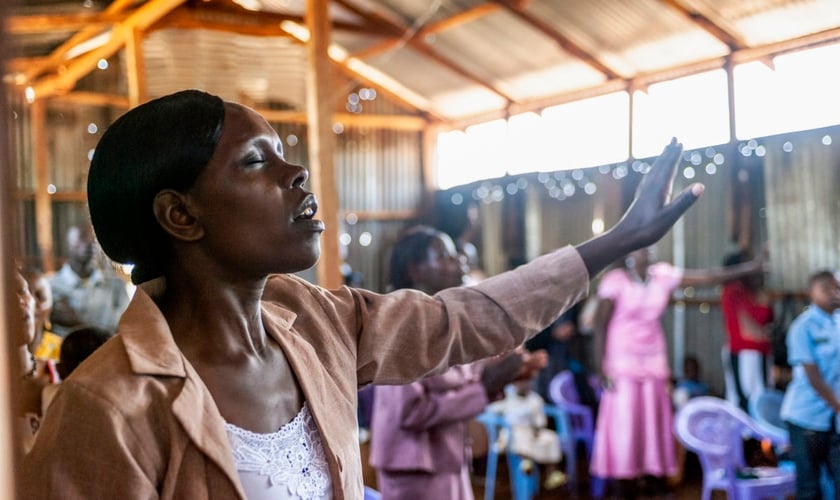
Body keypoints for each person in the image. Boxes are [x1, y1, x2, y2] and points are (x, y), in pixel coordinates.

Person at [22, 89, 701, 499]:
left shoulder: (315, 323)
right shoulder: (107, 408)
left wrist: (614, 243)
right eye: (256, 161)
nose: (297, 173)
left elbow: (463, 320)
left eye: (285, 152)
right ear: (181, 216)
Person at [368, 226, 544, 500]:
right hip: (414, 463)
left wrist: (504, 373)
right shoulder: (403, 326)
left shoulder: (443, 319)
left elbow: (462, 376)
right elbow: (411, 412)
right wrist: (484, 387)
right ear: (417, 269)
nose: (459, 261)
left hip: (445, 453)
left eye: (456, 255)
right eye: (445, 256)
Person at [590, 245, 763, 498]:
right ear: (628, 252)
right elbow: (599, 326)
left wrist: (750, 267)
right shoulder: (615, 281)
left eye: (650, 246)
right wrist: (600, 368)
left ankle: (654, 477)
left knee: (654, 420)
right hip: (621, 363)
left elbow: (708, 277)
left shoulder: (662, 275)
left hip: (654, 360)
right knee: (625, 423)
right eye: (641, 247)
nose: (647, 251)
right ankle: (623, 483)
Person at [780, 270, 840, 499]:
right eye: (826, 289)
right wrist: (838, 405)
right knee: (809, 486)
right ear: (811, 293)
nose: (833, 294)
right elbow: (813, 377)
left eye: (836, 288)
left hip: (833, 420)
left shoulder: (837, 324)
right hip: (806, 418)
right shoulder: (802, 327)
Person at [48, 223, 131, 336]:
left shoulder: (116, 285)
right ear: (68, 245)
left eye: (95, 239)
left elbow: (127, 328)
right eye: (82, 238)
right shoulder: (50, 287)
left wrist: (78, 324)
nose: (91, 244)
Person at [488, 379, 568, 491]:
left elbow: (540, 419)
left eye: (527, 382)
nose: (524, 385)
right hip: (514, 432)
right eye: (520, 383)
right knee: (521, 438)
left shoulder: (535, 400)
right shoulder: (509, 399)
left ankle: (552, 472)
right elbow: (493, 409)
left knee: (551, 438)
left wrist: (537, 429)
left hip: (532, 430)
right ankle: (526, 461)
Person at [720, 249, 774, 411]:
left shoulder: (755, 291)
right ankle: (745, 436)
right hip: (744, 351)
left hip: (763, 351)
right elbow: (750, 329)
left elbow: (767, 322)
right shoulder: (733, 291)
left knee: (762, 396)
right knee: (745, 398)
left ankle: (760, 435)